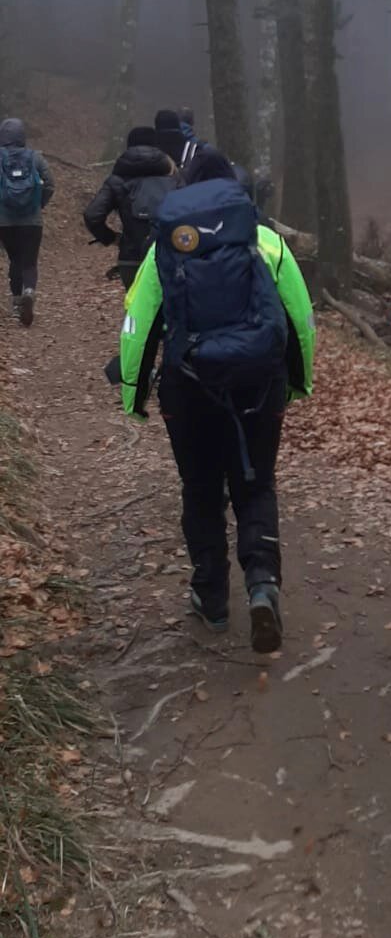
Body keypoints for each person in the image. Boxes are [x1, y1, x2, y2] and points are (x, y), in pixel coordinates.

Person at [113, 155, 315, 650]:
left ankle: (211, 597)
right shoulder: (266, 242)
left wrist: (132, 396)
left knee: (200, 488)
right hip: (257, 385)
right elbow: (301, 319)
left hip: (190, 385)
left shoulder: (170, 245)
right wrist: (295, 383)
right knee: (256, 485)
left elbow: (138, 326)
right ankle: (263, 582)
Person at [84, 127, 181, 290]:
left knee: (136, 310)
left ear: (128, 147)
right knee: (170, 311)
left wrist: (112, 238)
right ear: (156, 147)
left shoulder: (117, 180)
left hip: (131, 259)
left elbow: (92, 215)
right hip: (168, 256)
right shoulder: (174, 178)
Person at [0, 118, 54, 325]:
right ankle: (29, 291)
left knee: (14, 260)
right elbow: (50, 183)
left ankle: (15, 304)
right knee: (29, 261)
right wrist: (38, 204)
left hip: (4, 221)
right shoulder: (35, 157)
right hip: (32, 220)